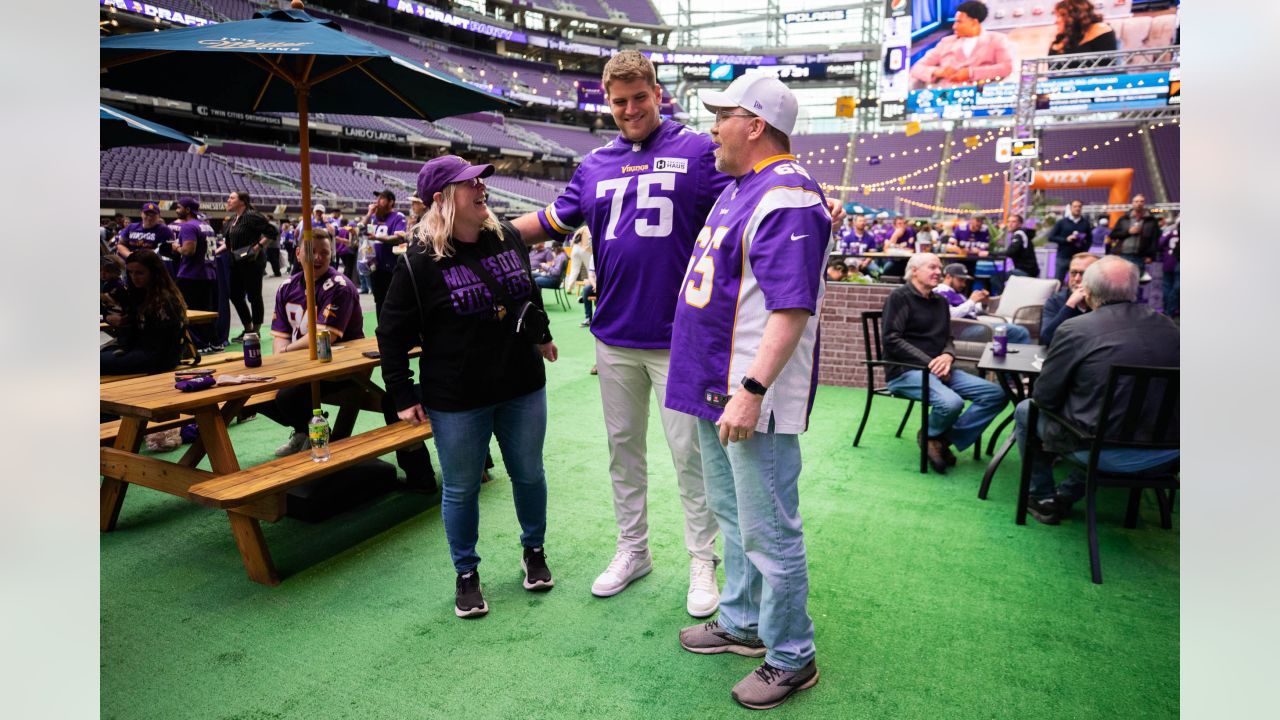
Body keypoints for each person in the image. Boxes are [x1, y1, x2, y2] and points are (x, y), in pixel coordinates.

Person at [509, 49, 728, 617]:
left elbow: (744, 205)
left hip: (680, 336)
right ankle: (634, 550)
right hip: (614, 334)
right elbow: (546, 223)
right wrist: (475, 230)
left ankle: (702, 560)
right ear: (607, 102)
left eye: (639, 97)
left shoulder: (700, 151)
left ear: (658, 93)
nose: (630, 109)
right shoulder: (595, 165)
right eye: (619, 101)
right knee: (622, 452)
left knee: (689, 456)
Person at [666, 74, 823, 710]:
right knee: (733, 518)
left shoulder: (788, 194)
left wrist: (753, 387)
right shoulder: (743, 188)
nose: (711, 128)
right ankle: (743, 621)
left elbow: (791, 308)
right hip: (715, 386)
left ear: (755, 124)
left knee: (769, 530)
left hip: (749, 393)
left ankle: (793, 654)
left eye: (721, 116)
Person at [377, 155, 558, 619]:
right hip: (456, 398)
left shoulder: (507, 236)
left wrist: (542, 334)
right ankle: (466, 574)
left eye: (481, 181)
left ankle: (533, 550)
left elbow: (528, 293)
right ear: (441, 199)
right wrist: (401, 394)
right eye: (469, 183)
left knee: (529, 473)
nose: (481, 189)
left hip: (521, 384)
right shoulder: (417, 263)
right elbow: (391, 335)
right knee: (460, 488)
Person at [1014, 256, 1179, 524]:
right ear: (1134, 290)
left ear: (1087, 292)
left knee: (1026, 410)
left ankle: (1043, 497)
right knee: (1109, 422)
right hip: (1168, 454)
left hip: (1102, 451)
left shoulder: (1076, 328)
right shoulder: (1171, 328)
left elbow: (1044, 398)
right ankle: (1065, 495)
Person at [883, 253, 1008, 472]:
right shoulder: (899, 297)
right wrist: (932, 363)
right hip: (905, 371)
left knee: (996, 395)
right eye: (932, 267)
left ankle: (936, 437)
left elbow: (947, 338)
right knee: (952, 403)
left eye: (939, 268)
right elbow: (892, 339)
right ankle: (934, 438)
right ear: (914, 270)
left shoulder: (940, 301)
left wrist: (948, 356)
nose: (938, 272)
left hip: (941, 368)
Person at [260, 228, 367, 452]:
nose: (318, 258)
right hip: (301, 364)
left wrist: (287, 353)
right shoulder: (287, 287)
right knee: (257, 395)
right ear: (298, 253)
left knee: (288, 397)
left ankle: (314, 431)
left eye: (325, 253)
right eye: (312, 252)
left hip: (338, 366)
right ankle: (303, 428)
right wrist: (282, 363)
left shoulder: (339, 286)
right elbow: (280, 335)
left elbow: (325, 336)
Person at [100, 249, 188, 375]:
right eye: (130, 272)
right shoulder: (136, 292)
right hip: (138, 348)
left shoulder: (165, 299)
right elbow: (109, 310)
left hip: (157, 356)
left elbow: (162, 343)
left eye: (140, 273)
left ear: (154, 273)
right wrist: (109, 318)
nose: (134, 277)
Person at [908, 1, 1015, 89]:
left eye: (959, 22)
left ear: (974, 22)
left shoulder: (996, 40)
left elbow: (1006, 67)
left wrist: (971, 73)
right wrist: (939, 72)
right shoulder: (946, 42)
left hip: (981, 95)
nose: (954, 26)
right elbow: (917, 68)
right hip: (947, 96)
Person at [223, 191, 278, 343]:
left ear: (242, 201)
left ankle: (256, 331)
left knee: (254, 296)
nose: (228, 200)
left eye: (232, 197)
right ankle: (248, 328)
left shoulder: (252, 216)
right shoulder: (233, 220)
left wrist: (258, 247)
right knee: (235, 295)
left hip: (252, 261)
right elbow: (228, 244)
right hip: (236, 261)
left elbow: (273, 232)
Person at [934, 263, 1032, 343]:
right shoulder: (940, 292)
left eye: (964, 281)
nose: (963, 284)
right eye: (960, 280)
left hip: (973, 325)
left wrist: (983, 303)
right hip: (962, 330)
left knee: (1013, 333)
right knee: (1020, 332)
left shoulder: (957, 293)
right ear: (948, 277)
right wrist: (972, 301)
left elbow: (973, 310)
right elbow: (951, 315)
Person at [168, 197, 218, 352]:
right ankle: (212, 342)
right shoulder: (207, 226)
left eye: (179, 207)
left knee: (184, 308)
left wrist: (176, 247)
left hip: (191, 275)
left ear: (187, 209)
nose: (177, 210)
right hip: (207, 273)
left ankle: (198, 344)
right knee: (204, 310)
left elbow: (189, 251)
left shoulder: (189, 226)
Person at [365, 189, 409, 318]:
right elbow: (360, 229)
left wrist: (377, 238)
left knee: (392, 302)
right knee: (379, 301)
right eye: (377, 198)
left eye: (382, 198)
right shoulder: (373, 217)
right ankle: (381, 331)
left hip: (391, 268)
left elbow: (398, 238)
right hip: (375, 267)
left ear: (391, 202)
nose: (378, 201)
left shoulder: (398, 217)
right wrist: (368, 214)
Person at [1040, 252, 1099, 346]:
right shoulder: (1055, 301)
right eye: (1073, 273)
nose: (1076, 278)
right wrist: (1070, 304)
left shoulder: (1105, 301)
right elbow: (1047, 339)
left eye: (1084, 273)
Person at [1107, 194, 1160, 270]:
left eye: (1141, 201)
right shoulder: (1124, 219)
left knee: (1138, 279)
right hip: (1123, 254)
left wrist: (1151, 256)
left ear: (1144, 203)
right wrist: (1128, 232)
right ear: (1132, 203)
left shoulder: (1151, 221)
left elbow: (1155, 240)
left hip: (1141, 256)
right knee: (1122, 279)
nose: (1139, 203)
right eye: (1136, 201)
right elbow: (1113, 235)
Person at [1048, 0, 1117, 56]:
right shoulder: (1060, 39)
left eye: (1060, 16)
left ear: (1074, 16)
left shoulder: (1101, 31)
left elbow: (1106, 65)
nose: (1056, 21)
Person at [1048, 200, 1092, 283]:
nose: (1077, 208)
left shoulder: (1085, 223)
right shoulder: (1061, 222)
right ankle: (1056, 296)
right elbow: (1051, 237)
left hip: (1078, 258)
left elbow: (1090, 240)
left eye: (1079, 206)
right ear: (1071, 208)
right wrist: (1066, 240)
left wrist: (1084, 251)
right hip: (1063, 257)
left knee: (1077, 282)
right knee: (1058, 282)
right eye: (1075, 206)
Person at [1003, 213, 1040, 278]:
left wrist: (990, 253)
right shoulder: (1022, 233)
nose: (1010, 224)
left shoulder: (1019, 234)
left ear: (1020, 224)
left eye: (1013, 222)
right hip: (1029, 270)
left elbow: (1010, 252)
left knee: (996, 277)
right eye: (1009, 222)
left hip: (1025, 271)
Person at [1158, 216, 1179, 318]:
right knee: (1174, 287)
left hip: (1168, 261)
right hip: (1176, 261)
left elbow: (1160, 243)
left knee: (1167, 287)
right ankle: (1172, 309)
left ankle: (1168, 310)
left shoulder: (1169, 231)